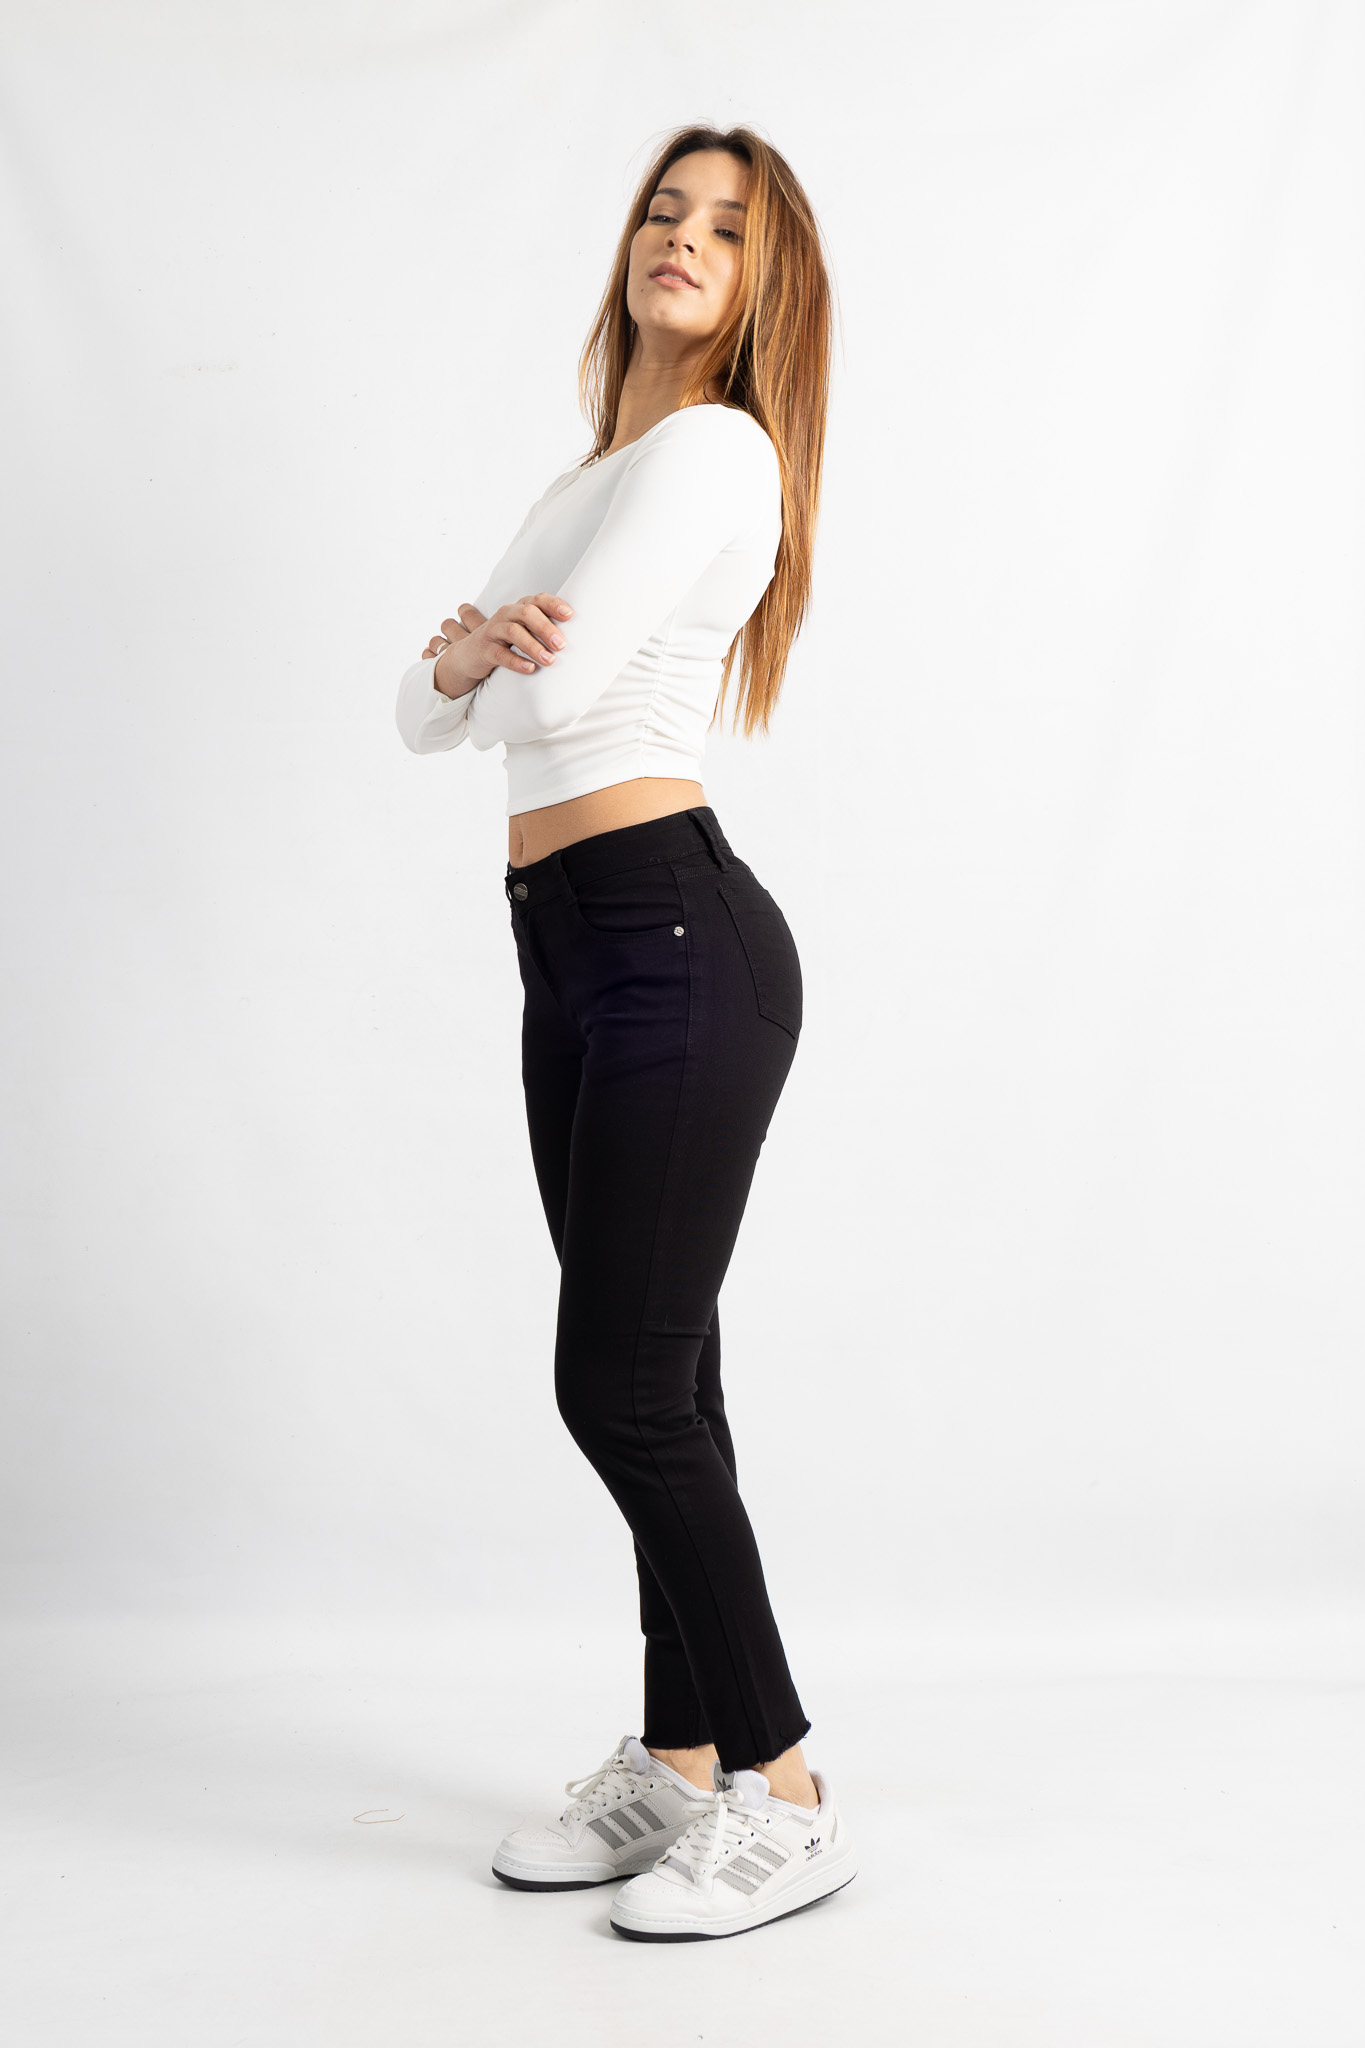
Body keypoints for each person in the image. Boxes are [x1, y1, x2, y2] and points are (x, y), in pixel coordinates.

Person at [395, 124, 854, 1942]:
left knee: (620, 1391)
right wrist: (467, 665)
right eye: (663, 210)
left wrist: (482, 663)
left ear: (761, 284)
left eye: (724, 228)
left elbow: (547, 690)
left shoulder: (717, 449)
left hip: (674, 941)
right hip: (570, 947)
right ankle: (677, 1760)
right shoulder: (594, 475)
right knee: (670, 1379)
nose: (681, 238)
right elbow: (422, 709)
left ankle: (786, 1788)